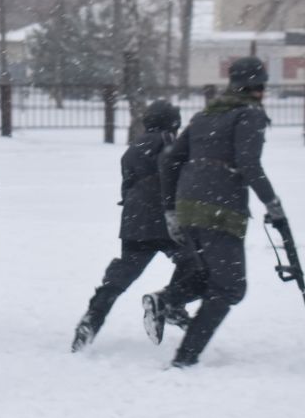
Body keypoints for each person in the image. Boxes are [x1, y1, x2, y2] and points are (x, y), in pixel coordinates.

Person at [153, 55, 287, 368]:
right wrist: (272, 203)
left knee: (209, 276)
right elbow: (248, 163)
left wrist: (171, 208)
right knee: (230, 287)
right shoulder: (248, 115)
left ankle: (168, 301)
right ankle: (185, 358)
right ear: (257, 87)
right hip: (220, 208)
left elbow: (169, 159)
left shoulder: (205, 114)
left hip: (188, 206)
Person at [71, 98, 191, 351]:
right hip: (164, 216)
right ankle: (172, 304)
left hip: (135, 219)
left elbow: (127, 184)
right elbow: (177, 174)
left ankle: (93, 317)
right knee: (193, 260)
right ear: (173, 123)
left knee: (124, 272)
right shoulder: (169, 141)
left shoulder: (133, 147)